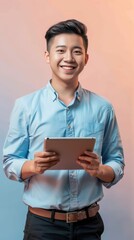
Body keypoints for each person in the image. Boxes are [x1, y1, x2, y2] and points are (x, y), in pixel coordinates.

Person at [3, 19, 124, 240]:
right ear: (47, 56)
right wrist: (32, 166)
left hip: (89, 226)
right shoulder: (26, 106)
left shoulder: (103, 108)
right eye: (61, 50)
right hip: (42, 227)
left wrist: (100, 170)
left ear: (86, 58)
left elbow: (117, 162)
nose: (69, 58)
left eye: (76, 51)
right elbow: (9, 162)